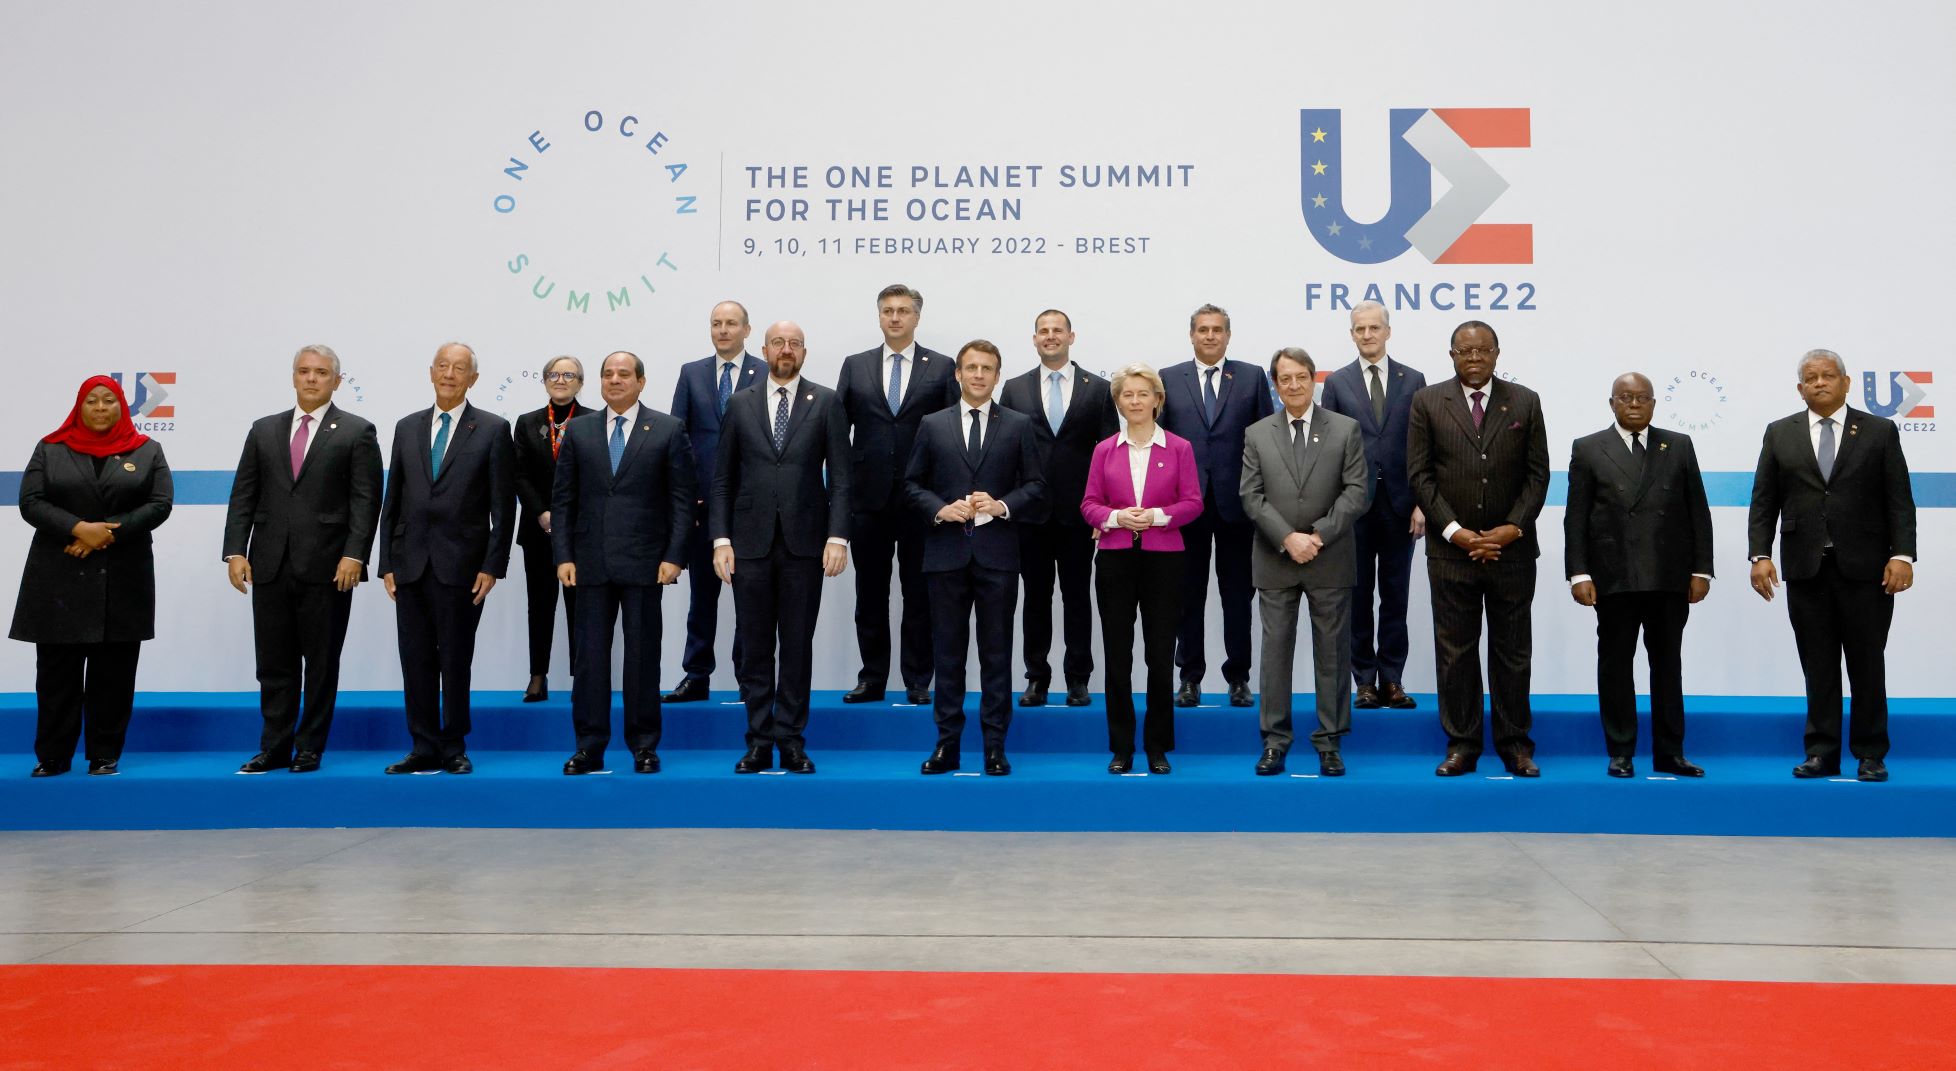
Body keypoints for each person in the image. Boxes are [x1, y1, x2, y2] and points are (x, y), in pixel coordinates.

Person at [1748, 348, 1917, 782]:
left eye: (1828, 375)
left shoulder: (1879, 431)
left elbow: (1899, 499)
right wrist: (1760, 554)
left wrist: (1902, 555)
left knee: (1866, 663)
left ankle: (1870, 753)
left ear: (1846, 382)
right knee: (1817, 665)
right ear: (1800, 388)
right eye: (1811, 377)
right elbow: (1764, 501)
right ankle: (1821, 751)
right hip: (1806, 569)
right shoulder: (1779, 433)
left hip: (1867, 569)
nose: (1819, 382)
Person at [223, 345, 383, 774]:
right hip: (269, 564)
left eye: (321, 372)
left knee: (321, 662)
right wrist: (236, 551)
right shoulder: (263, 430)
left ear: (337, 380)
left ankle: (309, 747)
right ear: (293, 377)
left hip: (330, 568)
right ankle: (273, 747)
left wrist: (355, 554)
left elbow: (366, 502)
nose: (312, 378)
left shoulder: (356, 431)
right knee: (273, 664)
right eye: (304, 371)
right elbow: (244, 496)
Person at [1405, 321, 1549, 777]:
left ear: (1496, 353)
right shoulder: (1428, 401)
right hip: (1451, 554)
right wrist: (1455, 531)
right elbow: (1420, 475)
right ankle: (1462, 744)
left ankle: (1515, 745)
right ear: (1451, 355)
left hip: (1512, 553)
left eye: (1482, 350)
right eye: (1464, 351)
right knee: (1455, 653)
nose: (1473, 358)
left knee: (1513, 652)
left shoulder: (1524, 400)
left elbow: (1537, 475)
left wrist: (1512, 528)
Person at [11, 376, 173, 776]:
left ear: (122, 406)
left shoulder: (147, 450)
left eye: (109, 401)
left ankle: (104, 754)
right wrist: (77, 528)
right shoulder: (50, 448)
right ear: (79, 407)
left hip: (122, 576)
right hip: (58, 578)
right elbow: (31, 502)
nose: (101, 408)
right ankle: (53, 756)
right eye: (92, 401)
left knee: (114, 675)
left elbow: (159, 504)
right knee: (56, 677)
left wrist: (103, 533)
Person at [711, 321, 851, 775]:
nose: (785, 350)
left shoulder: (826, 401)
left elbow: (843, 479)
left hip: (806, 544)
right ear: (764, 349)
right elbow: (723, 479)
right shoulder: (739, 403)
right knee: (754, 648)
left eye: (794, 344)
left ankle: (791, 740)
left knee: (796, 646)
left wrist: (837, 536)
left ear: (804, 353)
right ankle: (757, 740)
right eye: (778, 343)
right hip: (747, 545)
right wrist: (721, 539)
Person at [550, 351, 696, 775]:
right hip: (589, 564)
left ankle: (644, 745)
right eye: (608, 374)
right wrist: (563, 556)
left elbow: (682, 502)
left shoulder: (668, 429)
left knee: (642, 660)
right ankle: (588, 747)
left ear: (641, 382)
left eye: (624, 374)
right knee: (590, 662)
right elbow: (563, 502)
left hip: (647, 564)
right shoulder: (578, 431)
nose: (615, 380)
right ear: (599, 382)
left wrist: (674, 556)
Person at [906, 340, 1045, 775]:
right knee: (947, 655)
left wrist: (1002, 504)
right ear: (958, 375)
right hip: (946, 555)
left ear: (997, 375)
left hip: (997, 556)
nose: (979, 375)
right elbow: (911, 485)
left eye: (987, 368)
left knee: (996, 655)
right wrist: (938, 509)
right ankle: (947, 744)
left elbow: (1037, 485)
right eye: (971, 368)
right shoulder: (932, 424)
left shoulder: (1019, 424)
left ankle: (994, 746)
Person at [376, 342, 516, 775]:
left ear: (473, 378)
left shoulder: (492, 428)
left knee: (455, 659)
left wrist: (492, 565)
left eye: (459, 369)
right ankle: (422, 745)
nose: (450, 374)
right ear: (431, 372)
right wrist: (387, 563)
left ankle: (453, 744)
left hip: (463, 566)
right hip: (411, 563)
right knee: (414, 659)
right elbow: (392, 498)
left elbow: (503, 505)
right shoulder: (406, 427)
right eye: (443, 366)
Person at [1565, 373, 1715, 778]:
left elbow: (1697, 511)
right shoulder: (1589, 447)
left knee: (1667, 665)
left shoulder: (1678, 445)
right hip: (1613, 577)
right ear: (1611, 402)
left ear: (1653, 403)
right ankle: (1621, 750)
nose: (1634, 404)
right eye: (1625, 397)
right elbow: (1575, 518)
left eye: (1642, 398)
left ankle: (1670, 752)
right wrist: (1578, 573)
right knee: (1615, 666)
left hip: (1669, 576)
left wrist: (1702, 569)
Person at [1239, 348, 1369, 776]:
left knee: (1332, 653)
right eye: (1284, 378)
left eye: (1300, 377)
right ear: (1275, 385)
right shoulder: (1257, 433)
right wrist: (1287, 538)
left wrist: (1316, 536)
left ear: (1314, 379)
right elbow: (1251, 496)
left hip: (1328, 557)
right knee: (1275, 654)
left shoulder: (1345, 429)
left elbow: (1356, 492)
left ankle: (1329, 742)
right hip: (1276, 558)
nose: (1293, 385)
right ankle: (1275, 742)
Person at [834, 283, 958, 704]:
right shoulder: (856, 365)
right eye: (888, 310)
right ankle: (872, 677)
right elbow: (838, 435)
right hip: (867, 501)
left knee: (918, 592)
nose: (895, 317)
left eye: (903, 310)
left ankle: (918, 680)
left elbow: (953, 432)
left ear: (917, 317)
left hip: (923, 501)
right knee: (870, 592)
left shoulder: (942, 367)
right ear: (879, 316)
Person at [1082, 363, 1204, 774]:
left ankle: (1157, 746)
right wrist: (1116, 519)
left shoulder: (1179, 448)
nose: (1135, 401)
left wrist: (1155, 517)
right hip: (1116, 557)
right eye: (1127, 395)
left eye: (1142, 394)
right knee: (1117, 655)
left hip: (1164, 559)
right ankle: (1121, 746)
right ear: (1118, 402)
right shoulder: (1104, 449)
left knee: (1158, 654)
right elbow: (1089, 504)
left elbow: (1193, 503)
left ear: (1158, 399)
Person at [998, 309, 1117, 707]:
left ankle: (1078, 678)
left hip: (1079, 516)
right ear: (1034, 340)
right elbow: (1005, 453)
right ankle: (1037, 677)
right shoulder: (1014, 389)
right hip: (1028, 515)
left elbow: (1109, 456)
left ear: (1071, 337)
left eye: (1057, 331)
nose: (1050, 337)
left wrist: (1104, 512)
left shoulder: (1098, 389)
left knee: (1077, 596)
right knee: (1034, 597)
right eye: (1043, 332)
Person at [1157, 303, 1273, 708]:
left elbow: (1267, 441)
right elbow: (1161, 445)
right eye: (1203, 330)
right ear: (1191, 335)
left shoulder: (1251, 376)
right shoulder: (1169, 378)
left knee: (1237, 595)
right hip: (1185, 506)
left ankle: (1238, 677)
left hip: (1238, 504)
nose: (1210, 336)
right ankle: (1189, 677)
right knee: (1186, 594)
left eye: (1217, 330)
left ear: (1228, 335)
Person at [1316, 300, 1426, 709]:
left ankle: (1393, 679)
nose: (1367, 335)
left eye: (1374, 328)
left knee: (1395, 596)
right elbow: (1330, 450)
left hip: (1402, 506)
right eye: (1359, 329)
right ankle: (1363, 680)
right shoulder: (1338, 382)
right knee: (1358, 596)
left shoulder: (1413, 379)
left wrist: (1422, 503)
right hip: (1354, 506)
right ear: (1352, 334)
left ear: (1387, 331)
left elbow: (1422, 445)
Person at [667, 301, 767, 703]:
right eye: (716, 324)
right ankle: (696, 674)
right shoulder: (692, 373)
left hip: (752, 506)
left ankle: (749, 676)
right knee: (702, 597)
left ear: (747, 329)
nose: (723, 330)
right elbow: (677, 438)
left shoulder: (766, 372)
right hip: (703, 505)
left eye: (731, 324)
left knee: (751, 598)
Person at [511, 355, 591, 702]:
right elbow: (520, 473)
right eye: (554, 375)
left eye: (569, 375)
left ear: (580, 383)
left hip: (579, 531)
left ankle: (582, 676)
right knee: (540, 603)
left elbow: (595, 475)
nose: (561, 380)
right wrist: (542, 512)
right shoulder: (527, 423)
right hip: (538, 528)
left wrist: (567, 515)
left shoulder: (592, 421)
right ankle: (537, 675)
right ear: (544, 381)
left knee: (581, 605)